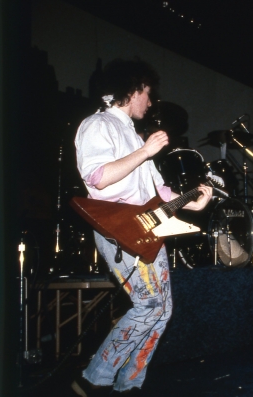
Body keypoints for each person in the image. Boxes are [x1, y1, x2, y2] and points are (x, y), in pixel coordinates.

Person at [72, 59, 213, 395]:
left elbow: (156, 191)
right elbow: (99, 178)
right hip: (120, 228)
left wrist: (193, 200)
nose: (150, 102)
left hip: (149, 225)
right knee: (149, 306)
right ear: (132, 91)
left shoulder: (133, 135)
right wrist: (147, 150)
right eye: (147, 93)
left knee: (162, 311)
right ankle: (93, 379)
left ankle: (129, 384)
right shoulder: (97, 125)